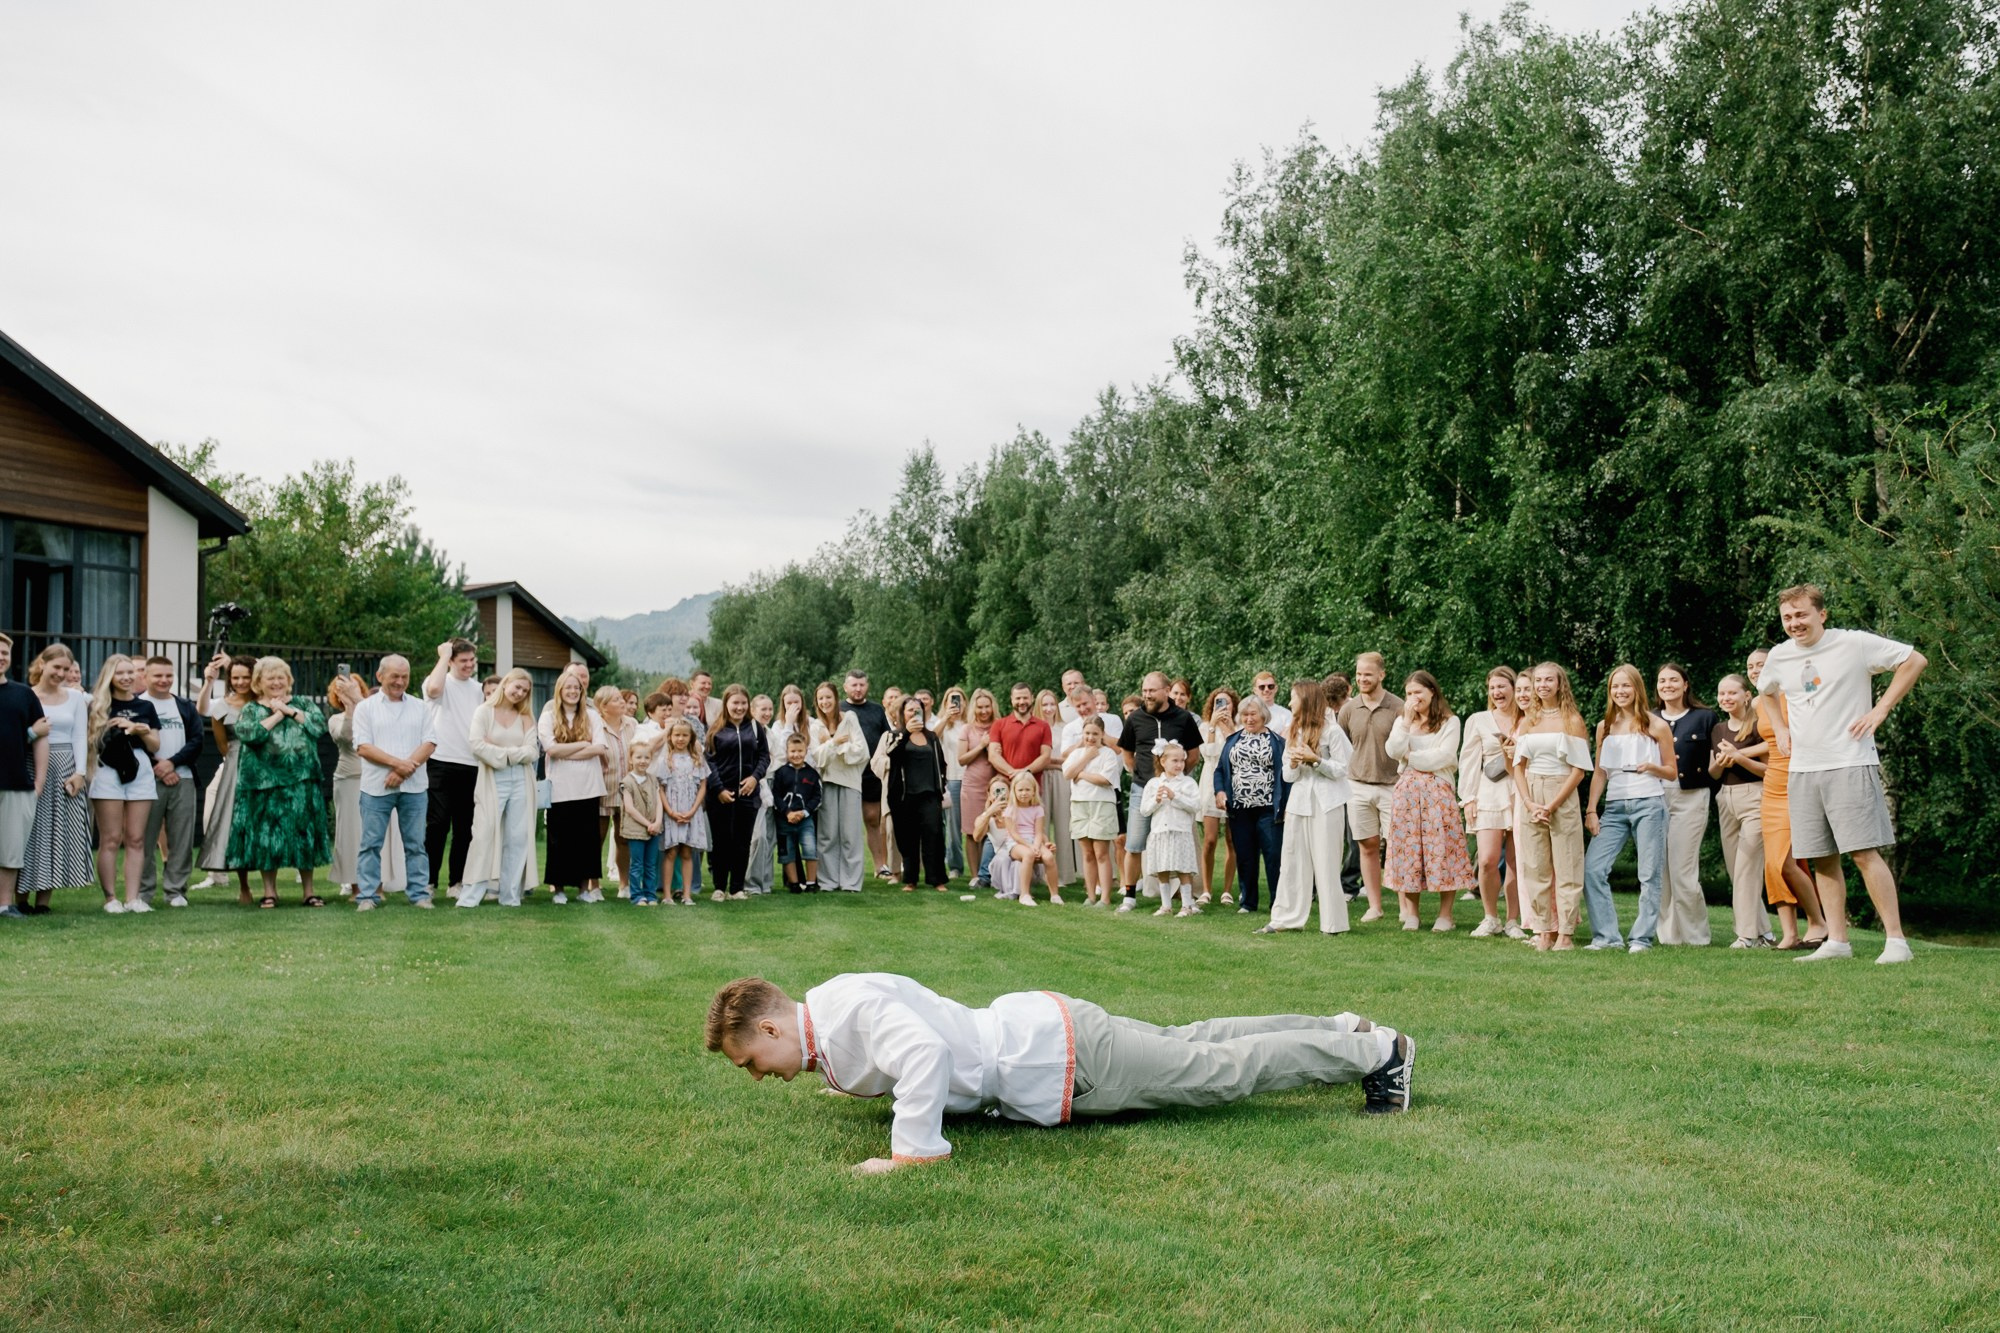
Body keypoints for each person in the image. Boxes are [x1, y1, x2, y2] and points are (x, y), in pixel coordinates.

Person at [705, 973, 1415, 1172]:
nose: (761, 1076)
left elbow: (923, 1053)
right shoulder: (831, 1006)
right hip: (1047, 1029)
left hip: (1060, 1059)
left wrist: (910, 1149)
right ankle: (1339, 1029)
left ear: (769, 1026)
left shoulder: (842, 1012)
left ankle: (1378, 1053)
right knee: (1196, 1041)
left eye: (753, 1063)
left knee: (1216, 1069)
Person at [1757, 583, 1927, 964]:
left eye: (1801, 614)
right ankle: (1837, 941)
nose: (1794, 623)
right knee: (1821, 857)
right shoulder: (1781, 656)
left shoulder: (1853, 644)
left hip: (1849, 762)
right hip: (1803, 769)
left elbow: (1914, 660)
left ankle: (1896, 942)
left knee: (1864, 853)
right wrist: (1780, 728)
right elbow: (1765, 692)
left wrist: (1880, 710)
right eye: (1787, 617)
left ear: (1821, 614)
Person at [1581, 665, 1677, 952]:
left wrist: (1652, 767)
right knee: (1593, 869)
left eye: (1626, 686)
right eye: (1615, 687)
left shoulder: (1656, 725)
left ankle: (1641, 938)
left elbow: (1672, 772)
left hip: (1649, 804)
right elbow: (1599, 772)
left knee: (1649, 874)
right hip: (1614, 806)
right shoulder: (1604, 727)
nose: (1620, 692)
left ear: (1637, 689)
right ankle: (1607, 937)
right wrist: (1591, 809)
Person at [229, 656, 330, 909]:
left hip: (302, 782)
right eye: (270, 678)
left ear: (289, 680)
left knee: (303, 835)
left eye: (281, 677)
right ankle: (269, 892)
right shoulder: (251, 709)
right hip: (263, 784)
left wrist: (290, 711)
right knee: (267, 838)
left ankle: (308, 892)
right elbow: (249, 735)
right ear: (259, 682)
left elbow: (319, 727)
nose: (276, 682)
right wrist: (276, 715)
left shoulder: (303, 703)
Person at [1747, 648, 1827, 951]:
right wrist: (1741, 754)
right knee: (1773, 864)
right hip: (1773, 785)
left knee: (1787, 861)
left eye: (1762, 665)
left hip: (1799, 780)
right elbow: (1770, 742)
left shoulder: (1797, 693)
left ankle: (1819, 922)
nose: (1756, 670)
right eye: (1751, 666)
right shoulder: (1757, 702)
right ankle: (1790, 933)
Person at [1509, 663, 1593, 951]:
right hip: (1531, 791)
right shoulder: (1528, 721)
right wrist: (1530, 802)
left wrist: (1552, 804)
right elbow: (1518, 766)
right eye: (1538, 680)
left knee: (1567, 864)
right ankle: (1543, 931)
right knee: (1535, 865)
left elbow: (1579, 770)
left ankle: (1566, 934)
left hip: (1562, 791)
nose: (1542, 685)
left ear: (1560, 684)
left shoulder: (1572, 720)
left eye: (1549, 680)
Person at [1259, 680, 1352, 935]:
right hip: (1300, 803)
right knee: (1291, 861)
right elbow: (1288, 778)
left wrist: (1316, 761)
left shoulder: (1332, 732)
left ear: (1307, 700)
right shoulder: (1294, 731)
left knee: (1326, 862)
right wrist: (1294, 763)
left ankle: (1333, 924)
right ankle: (1285, 919)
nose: (1289, 703)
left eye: (1293, 698)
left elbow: (1344, 769)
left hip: (1328, 803)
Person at [1385, 671, 1475, 932]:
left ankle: (1446, 915)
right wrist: (1406, 724)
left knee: (1443, 849)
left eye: (1418, 693)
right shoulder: (1403, 721)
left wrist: (1410, 757)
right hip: (1407, 795)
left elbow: (1444, 757)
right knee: (1409, 851)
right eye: (1409, 694)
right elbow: (1392, 751)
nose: (1413, 698)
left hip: (1438, 792)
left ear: (1432, 692)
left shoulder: (1450, 721)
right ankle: (1412, 913)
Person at [351, 654, 436, 911]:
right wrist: (397, 764)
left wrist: (403, 771)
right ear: (380, 676)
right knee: (370, 843)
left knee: (416, 843)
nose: (400, 681)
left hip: (414, 787)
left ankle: (419, 894)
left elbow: (429, 743)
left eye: (404, 677)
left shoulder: (421, 707)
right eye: (394, 676)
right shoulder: (365, 708)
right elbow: (363, 747)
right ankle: (367, 895)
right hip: (376, 787)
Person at [1117, 672, 1205, 912]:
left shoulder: (1184, 718)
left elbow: (1194, 754)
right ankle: (1129, 896)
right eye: (1144, 690)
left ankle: (1184, 897)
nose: (1146, 694)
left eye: (1152, 691)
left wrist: (1174, 778)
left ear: (1166, 691)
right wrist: (1148, 778)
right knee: (1134, 844)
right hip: (1142, 790)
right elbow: (1126, 753)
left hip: (1175, 795)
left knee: (1176, 841)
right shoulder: (1135, 718)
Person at [17, 645, 91, 914]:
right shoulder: (26, 695)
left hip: (66, 770)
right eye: (56, 667)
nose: (60, 673)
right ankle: (20, 898)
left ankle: (44, 901)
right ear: (42, 664)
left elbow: (80, 736)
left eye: (66, 669)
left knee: (57, 832)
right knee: (28, 832)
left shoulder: (75, 699)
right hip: (30, 765)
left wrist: (80, 772)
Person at [87, 654, 162, 914]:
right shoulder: (96, 705)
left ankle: (133, 898)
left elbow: (155, 745)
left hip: (139, 767)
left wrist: (139, 729)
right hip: (107, 768)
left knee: (136, 838)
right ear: (110, 676)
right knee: (110, 838)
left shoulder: (146, 707)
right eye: (121, 673)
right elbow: (88, 742)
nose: (127, 677)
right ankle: (111, 898)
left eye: (131, 672)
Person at [461, 668, 540, 908]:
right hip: (491, 778)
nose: (519, 693)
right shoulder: (484, 712)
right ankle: (471, 895)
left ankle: (510, 895)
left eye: (525, 691)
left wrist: (499, 750)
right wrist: (512, 754)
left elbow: (533, 751)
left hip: (521, 779)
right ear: (506, 684)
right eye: (517, 687)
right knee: (483, 834)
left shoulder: (526, 717)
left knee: (517, 837)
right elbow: (476, 745)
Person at [1457, 667, 1525, 939]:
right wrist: (1468, 797)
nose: (1497, 692)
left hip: (1520, 791)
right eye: (1493, 688)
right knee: (1486, 860)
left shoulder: (1527, 718)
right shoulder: (1479, 720)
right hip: (1488, 791)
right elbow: (1469, 760)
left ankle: (1512, 920)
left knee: (1516, 861)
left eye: (1502, 687)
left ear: (1514, 687)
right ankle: (1490, 917)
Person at [1708, 673, 1774, 948]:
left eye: (1732, 693)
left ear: (1747, 695)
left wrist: (1739, 757)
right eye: (1722, 694)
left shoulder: (1760, 726)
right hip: (1725, 799)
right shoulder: (1718, 729)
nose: (1726, 698)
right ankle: (1765, 934)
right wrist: (1724, 761)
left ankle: (1746, 936)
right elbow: (1713, 773)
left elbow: (1769, 770)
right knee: (1737, 872)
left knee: (1747, 869)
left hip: (1754, 798)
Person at [1653, 663, 1717, 947]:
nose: (1667, 685)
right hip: (1655, 797)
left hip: (1691, 797)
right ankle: (1668, 936)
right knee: (1660, 869)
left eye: (1673, 680)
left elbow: (1717, 759)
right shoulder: (1649, 718)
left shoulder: (1705, 717)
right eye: (1662, 680)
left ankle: (1696, 936)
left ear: (1685, 684)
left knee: (1683, 871)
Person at [327, 674, 405, 900]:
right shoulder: (336, 719)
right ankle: (356, 887)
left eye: (352, 688)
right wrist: (351, 707)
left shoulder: (376, 715)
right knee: (351, 832)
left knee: (377, 831)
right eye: (341, 690)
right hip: (348, 778)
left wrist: (358, 701)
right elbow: (347, 735)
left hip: (375, 776)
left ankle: (377, 886)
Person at [1337, 653, 1401, 923]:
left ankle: (1406, 908)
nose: (1362, 679)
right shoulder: (1349, 709)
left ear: (1381, 675)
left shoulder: (1398, 706)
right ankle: (1375, 906)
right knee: (1367, 846)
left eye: (1368, 675)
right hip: (1358, 786)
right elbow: (1341, 746)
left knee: (1398, 848)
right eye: (1359, 674)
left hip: (1392, 785)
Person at [134, 657, 202, 908]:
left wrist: (172, 763)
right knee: (143, 838)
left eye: (168, 675)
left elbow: (197, 740)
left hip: (182, 779)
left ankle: (175, 891)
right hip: (146, 781)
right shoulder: (138, 705)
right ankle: (143, 891)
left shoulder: (184, 706)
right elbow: (132, 742)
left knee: (182, 839)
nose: (163, 680)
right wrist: (158, 767)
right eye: (157, 676)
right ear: (146, 677)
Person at [421, 638, 484, 901]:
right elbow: (434, 689)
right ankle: (429, 881)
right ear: (451, 662)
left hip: (471, 764)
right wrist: (444, 653)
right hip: (440, 762)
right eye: (463, 661)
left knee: (463, 828)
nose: (469, 665)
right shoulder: (438, 681)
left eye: (472, 660)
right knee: (436, 825)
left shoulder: (479, 689)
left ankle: (456, 881)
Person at [539, 669, 608, 905]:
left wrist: (567, 751)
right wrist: (582, 745)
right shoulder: (548, 716)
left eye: (576, 688)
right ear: (560, 690)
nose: (572, 691)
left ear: (582, 691)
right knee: (559, 839)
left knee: (587, 839)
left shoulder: (592, 716)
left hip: (588, 787)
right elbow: (551, 749)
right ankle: (558, 889)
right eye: (568, 687)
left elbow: (600, 747)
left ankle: (583, 889)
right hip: (560, 787)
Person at [1214, 696, 1287, 914]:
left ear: (1263, 715)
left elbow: (1286, 776)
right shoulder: (1233, 740)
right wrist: (1219, 791)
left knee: (1273, 856)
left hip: (1268, 808)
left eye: (1253, 714)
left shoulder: (1277, 742)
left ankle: (1278, 902)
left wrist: (1284, 805)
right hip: (1240, 808)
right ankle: (1248, 901)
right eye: (1245, 715)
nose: (1249, 718)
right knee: (1245, 856)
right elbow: (1220, 770)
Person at [196, 653, 257, 904]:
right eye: (235, 677)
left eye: (246, 677)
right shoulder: (222, 705)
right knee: (233, 823)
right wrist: (208, 681)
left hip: (266, 769)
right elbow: (222, 745)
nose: (241, 682)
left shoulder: (265, 702)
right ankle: (242, 885)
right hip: (234, 767)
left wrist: (232, 660)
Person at [0, 632, 49, 920]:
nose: (1, 657)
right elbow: (34, 733)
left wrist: (39, 782)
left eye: (4, 653)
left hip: (17, 783)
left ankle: (5, 905)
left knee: (10, 848)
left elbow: (42, 737)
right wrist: (31, 733)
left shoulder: (23, 694)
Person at [706, 684, 769, 901]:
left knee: (743, 842)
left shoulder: (754, 727)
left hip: (748, 794)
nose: (739, 707)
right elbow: (709, 762)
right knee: (722, 841)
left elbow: (764, 756)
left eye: (743, 703)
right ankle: (719, 887)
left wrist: (754, 778)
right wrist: (719, 789)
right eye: (735, 703)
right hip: (721, 795)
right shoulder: (716, 728)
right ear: (726, 704)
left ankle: (737, 888)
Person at [988, 684, 1054, 884]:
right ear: (1011, 699)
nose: (1021, 702)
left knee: (1036, 829)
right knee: (1008, 832)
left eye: (1025, 698)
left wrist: (1025, 773)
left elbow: (1046, 756)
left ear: (1032, 698)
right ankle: (1002, 877)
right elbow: (993, 754)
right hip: (1006, 791)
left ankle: (1034, 878)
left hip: (1032, 790)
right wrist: (1013, 773)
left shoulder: (1042, 726)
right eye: (1017, 698)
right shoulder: (1000, 724)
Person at [884, 696, 950, 892]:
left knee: (934, 835)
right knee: (908, 838)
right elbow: (892, 755)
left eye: (917, 709)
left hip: (930, 794)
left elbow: (941, 762)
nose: (914, 713)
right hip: (905, 796)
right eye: (910, 710)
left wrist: (941, 785)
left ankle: (937, 879)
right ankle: (910, 879)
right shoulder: (897, 736)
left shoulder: (931, 737)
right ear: (903, 714)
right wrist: (906, 734)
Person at [809, 682, 869, 892]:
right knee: (828, 836)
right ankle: (828, 881)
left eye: (828, 697)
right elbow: (818, 758)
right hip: (827, 783)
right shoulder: (816, 726)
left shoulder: (850, 718)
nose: (825, 702)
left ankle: (851, 882)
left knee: (851, 834)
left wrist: (836, 744)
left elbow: (862, 752)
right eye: (820, 699)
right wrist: (833, 744)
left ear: (836, 698)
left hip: (851, 782)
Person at [1139, 741, 1205, 916]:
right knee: (1163, 869)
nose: (1179, 764)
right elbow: (1144, 810)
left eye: (1181, 761)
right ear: (1163, 762)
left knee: (1183, 868)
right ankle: (1165, 905)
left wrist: (1175, 797)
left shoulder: (1188, 783)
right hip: (1160, 832)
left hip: (1180, 832)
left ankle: (1186, 905)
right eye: (1174, 761)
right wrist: (1156, 800)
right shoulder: (1153, 784)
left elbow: (1195, 805)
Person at [1063, 716, 1123, 907]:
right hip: (1080, 804)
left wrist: (1081, 775)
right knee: (1087, 853)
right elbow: (1067, 773)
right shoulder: (1076, 754)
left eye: (1095, 734)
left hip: (1101, 804)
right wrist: (1086, 758)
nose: (1090, 737)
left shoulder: (1108, 754)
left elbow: (1105, 780)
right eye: (1087, 733)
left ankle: (1104, 897)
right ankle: (1090, 896)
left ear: (1102, 734)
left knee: (1101, 853)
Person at [840, 672, 892, 879]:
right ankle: (847, 869)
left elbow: (887, 739)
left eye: (861, 685)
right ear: (845, 687)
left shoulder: (877, 710)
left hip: (872, 775)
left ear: (867, 686)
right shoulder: (839, 709)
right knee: (846, 824)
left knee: (873, 820)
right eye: (854, 685)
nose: (858, 689)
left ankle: (880, 866)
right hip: (846, 774)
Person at [655, 718, 712, 905]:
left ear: (691, 737)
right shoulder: (666, 760)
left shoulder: (697, 759)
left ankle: (687, 894)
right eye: (677, 735)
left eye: (684, 735)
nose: (680, 738)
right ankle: (668, 895)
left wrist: (693, 809)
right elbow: (660, 788)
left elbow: (703, 786)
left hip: (691, 811)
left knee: (687, 853)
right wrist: (670, 811)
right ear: (670, 737)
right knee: (671, 853)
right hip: (672, 811)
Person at [1196, 688, 1238, 906]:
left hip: (1234, 784)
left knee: (1232, 840)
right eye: (1218, 703)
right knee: (1210, 840)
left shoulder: (1239, 727)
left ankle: (1228, 890)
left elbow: (1236, 751)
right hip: (1210, 783)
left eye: (1227, 703)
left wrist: (1229, 727)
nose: (1223, 708)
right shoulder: (1204, 727)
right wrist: (1213, 725)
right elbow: (1209, 753)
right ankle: (1206, 889)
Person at [594, 686, 635, 898]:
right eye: (617, 699)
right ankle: (594, 885)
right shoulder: (595, 726)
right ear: (603, 706)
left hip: (626, 790)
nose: (623, 702)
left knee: (624, 837)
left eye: (622, 698)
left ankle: (624, 885)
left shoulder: (632, 724)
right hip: (601, 788)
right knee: (597, 837)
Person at [770, 729, 823, 893]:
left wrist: (805, 812)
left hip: (805, 819)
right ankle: (793, 883)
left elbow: (817, 797)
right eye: (792, 751)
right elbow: (776, 795)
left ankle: (811, 882)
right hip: (784, 819)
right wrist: (787, 812)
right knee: (787, 853)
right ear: (787, 752)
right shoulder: (781, 772)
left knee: (810, 849)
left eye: (800, 751)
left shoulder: (812, 774)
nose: (796, 755)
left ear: (806, 751)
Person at [1033, 690, 1077, 888]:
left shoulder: (1064, 728)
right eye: (1044, 704)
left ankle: (1064, 875)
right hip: (1039, 778)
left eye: (1052, 704)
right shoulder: (1034, 727)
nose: (1049, 708)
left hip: (1061, 778)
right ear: (1038, 707)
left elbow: (1070, 758)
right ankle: (1042, 874)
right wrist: (1054, 762)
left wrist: (1050, 761)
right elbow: (1035, 759)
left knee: (1063, 825)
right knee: (1039, 826)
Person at [1001, 770, 1061, 906]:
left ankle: (1055, 894)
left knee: (1049, 857)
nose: (1024, 793)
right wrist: (1030, 847)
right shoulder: (1010, 810)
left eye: (1027, 789)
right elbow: (1014, 834)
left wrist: (1037, 845)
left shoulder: (1038, 809)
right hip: (1016, 843)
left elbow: (1039, 831)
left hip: (1034, 840)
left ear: (1034, 791)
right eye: (1020, 790)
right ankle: (1025, 894)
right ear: (1014, 791)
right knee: (1028, 855)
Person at [957, 689, 998, 885]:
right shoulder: (967, 729)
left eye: (987, 707)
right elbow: (961, 759)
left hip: (994, 785)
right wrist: (981, 745)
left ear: (992, 707)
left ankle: (989, 874)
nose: (983, 711)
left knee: (992, 831)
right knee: (973, 832)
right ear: (975, 707)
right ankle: (975, 876)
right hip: (972, 786)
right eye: (980, 707)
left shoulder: (999, 726)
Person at [619, 736, 665, 906]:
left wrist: (658, 821)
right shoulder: (627, 782)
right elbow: (630, 808)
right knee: (637, 864)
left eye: (646, 757)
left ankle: (650, 894)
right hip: (637, 829)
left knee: (651, 864)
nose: (643, 761)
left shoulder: (652, 779)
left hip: (654, 827)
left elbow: (659, 801)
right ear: (631, 759)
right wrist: (648, 824)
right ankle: (637, 895)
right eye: (638, 757)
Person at [935, 687, 968, 878]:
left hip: (971, 777)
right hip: (952, 778)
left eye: (959, 700)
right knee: (953, 826)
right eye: (951, 700)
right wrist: (946, 717)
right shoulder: (942, 724)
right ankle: (956, 865)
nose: (956, 704)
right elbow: (931, 737)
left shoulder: (969, 724)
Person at [1249, 671, 1293, 737]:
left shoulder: (1286, 714)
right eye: (1262, 687)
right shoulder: (1247, 713)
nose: (1266, 690)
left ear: (1275, 689)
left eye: (1270, 686)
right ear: (1255, 690)